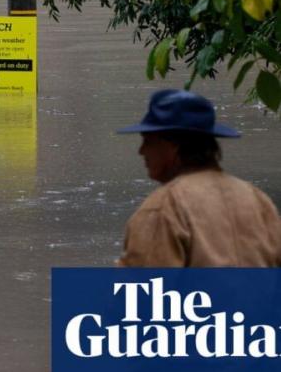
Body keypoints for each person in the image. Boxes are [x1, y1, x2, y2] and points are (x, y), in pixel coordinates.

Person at [116, 89, 281, 267]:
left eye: (148, 141)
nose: (141, 151)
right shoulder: (256, 199)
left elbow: (145, 289)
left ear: (172, 147)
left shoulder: (163, 208)